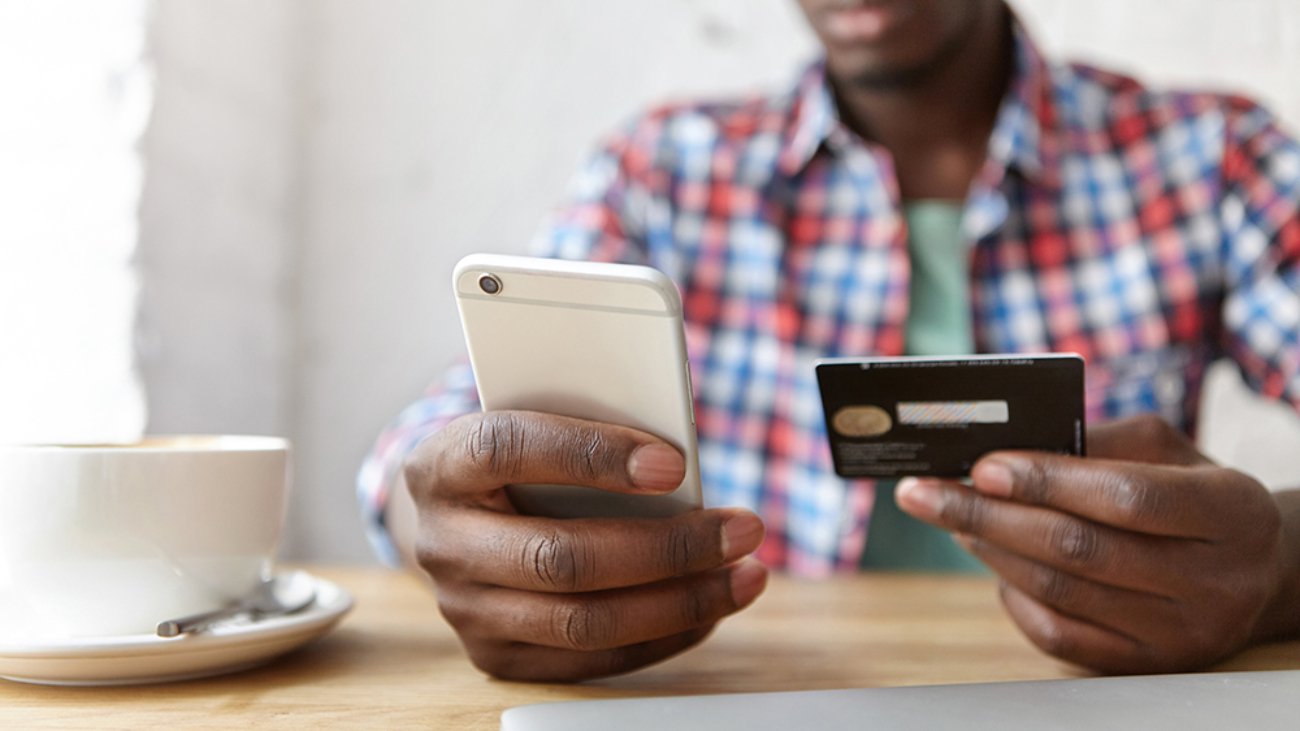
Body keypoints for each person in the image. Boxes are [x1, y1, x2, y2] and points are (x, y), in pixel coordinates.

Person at [358, 0, 1300, 682]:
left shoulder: (1210, 157)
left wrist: (1280, 565)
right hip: (750, 686)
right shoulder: (664, 171)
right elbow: (434, 445)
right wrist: (452, 518)